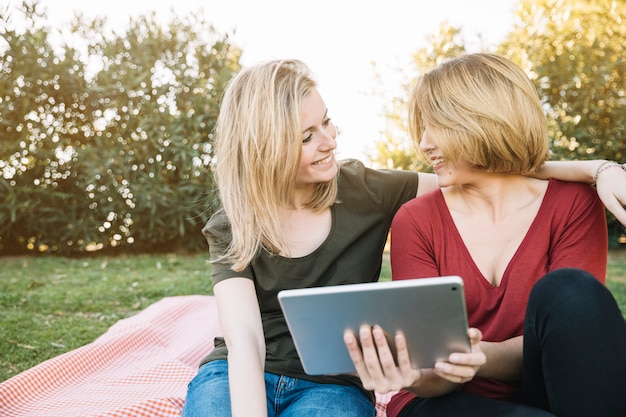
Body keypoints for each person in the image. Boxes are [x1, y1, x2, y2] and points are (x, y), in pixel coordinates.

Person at [180, 58, 626, 417]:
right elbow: (245, 343)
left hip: (332, 383)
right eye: (307, 136)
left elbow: (499, 166)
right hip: (254, 374)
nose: (331, 141)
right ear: (266, 148)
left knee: (570, 291)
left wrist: (597, 170)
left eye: (328, 123)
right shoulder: (235, 221)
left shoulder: (363, 189)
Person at [344, 53, 626, 417]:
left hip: (547, 384)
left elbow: (574, 339)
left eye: (436, 126)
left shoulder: (573, 203)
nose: (424, 144)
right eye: (421, 129)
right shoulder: (416, 219)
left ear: (484, 120)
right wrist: (423, 368)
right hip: (441, 400)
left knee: (571, 289)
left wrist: (477, 354)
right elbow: (431, 370)